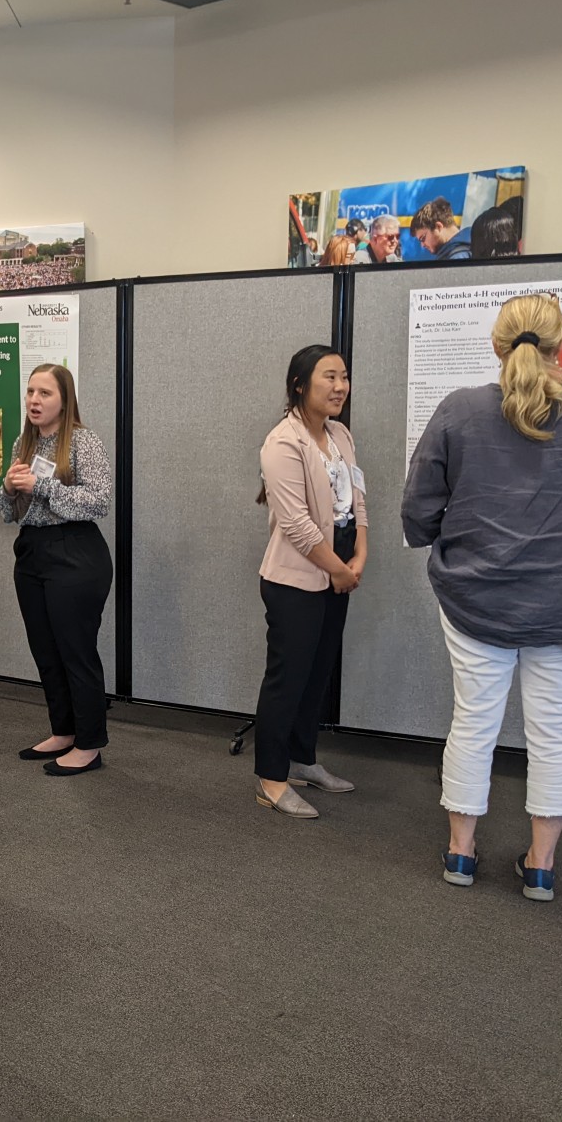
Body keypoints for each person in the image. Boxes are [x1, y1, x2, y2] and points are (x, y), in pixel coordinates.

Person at [402, 293, 562, 900]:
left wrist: (440, 535)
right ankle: (540, 866)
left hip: (476, 597)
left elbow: (417, 510)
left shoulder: (458, 410)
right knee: (555, 732)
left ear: (496, 344)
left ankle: (460, 854)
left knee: (473, 721)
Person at [252, 344, 367, 819]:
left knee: (317, 674)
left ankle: (302, 760)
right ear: (300, 385)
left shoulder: (340, 434)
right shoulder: (282, 442)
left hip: (338, 568)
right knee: (287, 679)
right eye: (329, 378)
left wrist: (360, 552)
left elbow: (358, 496)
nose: (340, 387)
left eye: (343, 377)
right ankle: (271, 778)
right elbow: (298, 525)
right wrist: (339, 568)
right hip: (296, 578)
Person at [0, 364, 113, 776]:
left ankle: (90, 744)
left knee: (75, 651)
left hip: (75, 553)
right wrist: (9, 490)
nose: (34, 400)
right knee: (45, 650)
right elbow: (8, 512)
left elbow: (99, 502)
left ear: (65, 398)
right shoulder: (23, 443)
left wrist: (41, 487)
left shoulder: (83, 442)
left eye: (44, 393)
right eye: (30, 391)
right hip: (32, 553)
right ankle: (64, 731)